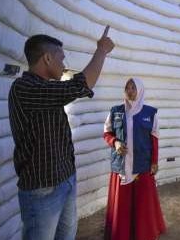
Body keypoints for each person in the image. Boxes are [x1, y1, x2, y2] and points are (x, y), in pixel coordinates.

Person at [8, 26, 114, 240]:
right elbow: (79, 86)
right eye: (61, 58)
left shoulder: (48, 89)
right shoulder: (24, 88)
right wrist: (101, 51)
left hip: (65, 180)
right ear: (47, 58)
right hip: (42, 189)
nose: (64, 65)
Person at [103, 77, 166, 240]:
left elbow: (154, 139)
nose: (130, 91)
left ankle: (143, 233)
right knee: (122, 203)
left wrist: (154, 161)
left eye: (133, 88)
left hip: (142, 165)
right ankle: (121, 233)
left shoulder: (150, 113)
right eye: (127, 88)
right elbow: (107, 133)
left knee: (142, 203)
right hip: (122, 165)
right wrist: (115, 142)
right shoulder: (115, 111)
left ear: (140, 90)